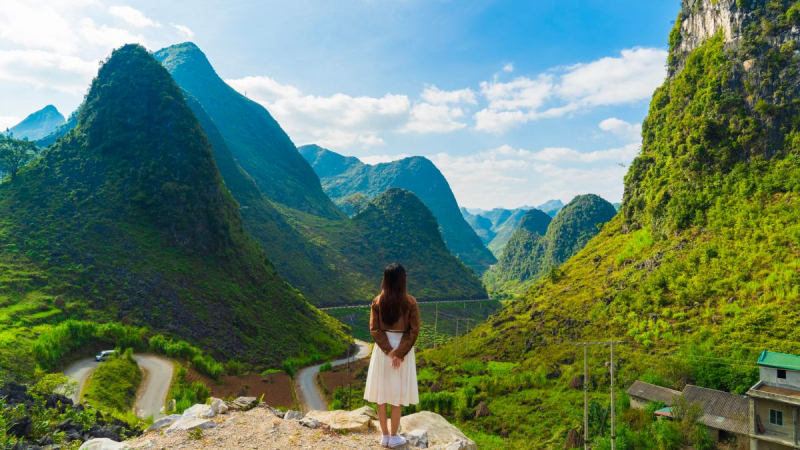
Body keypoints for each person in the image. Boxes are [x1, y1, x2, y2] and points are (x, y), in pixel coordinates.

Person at [364, 263, 420, 448]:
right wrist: (400, 353)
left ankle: (385, 435)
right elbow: (414, 330)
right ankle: (394, 436)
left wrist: (389, 351)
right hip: (402, 351)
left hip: (383, 352)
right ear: (402, 280)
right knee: (397, 393)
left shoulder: (377, 301)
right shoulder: (410, 302)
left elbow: (374, 329)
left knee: (382, 393)